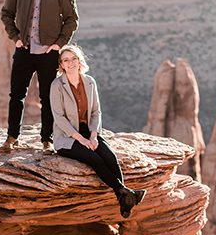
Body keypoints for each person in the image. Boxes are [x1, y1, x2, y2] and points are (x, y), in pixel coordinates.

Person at [0, 0, 79, 155]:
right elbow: (6, 13)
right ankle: (12, 138)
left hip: (48, 53)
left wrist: (58, 44)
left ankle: (47, 141)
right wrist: (16, 38)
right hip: (24, 49)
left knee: (48, 98)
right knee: (16, 95)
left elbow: (71, 19)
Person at [50, 45, 146, 218]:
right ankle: (126, 196)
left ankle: (125, 199)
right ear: (61, 65)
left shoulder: (89, 82)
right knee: (95, 159)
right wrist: (81, 139)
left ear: (80, 61)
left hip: (89, 131)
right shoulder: (57, 85)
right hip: (67, 137)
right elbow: (59, 118)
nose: (70, 63)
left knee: (111, 157)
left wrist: (93, 135)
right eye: (66, 60)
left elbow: (96, 112)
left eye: (74, 58)